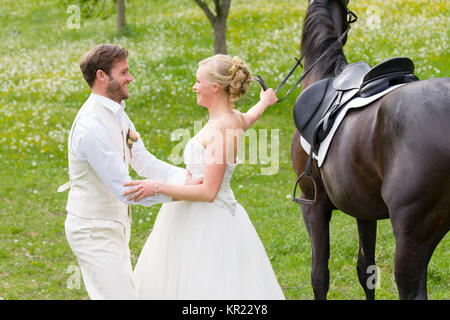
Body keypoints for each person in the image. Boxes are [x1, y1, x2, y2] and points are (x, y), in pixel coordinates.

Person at [124, 54, 285, 299]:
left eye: (198, 81)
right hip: (190, 214)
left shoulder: (223, 130)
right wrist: (264, 101)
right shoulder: (232, 119)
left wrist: (156, 187)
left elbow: (209, 192)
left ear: (215, 87)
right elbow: (250, 117)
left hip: (207, 222)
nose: (194, 86)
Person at [61, 44, 192, 299]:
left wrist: (186, 177)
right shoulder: (91, 126)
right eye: (124, 72)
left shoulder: (118, 114)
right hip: (93, 230)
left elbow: (144, 162)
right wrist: (184, 193)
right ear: (101, 76)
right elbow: (126, 191)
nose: (130, 78)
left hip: (116, 226)